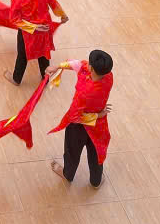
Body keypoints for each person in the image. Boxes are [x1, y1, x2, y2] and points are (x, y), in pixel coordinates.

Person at [47, 49, 114, 188]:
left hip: (79, 127)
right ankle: (96, 181)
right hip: (98, 126)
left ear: (91, 69)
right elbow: (79, 64)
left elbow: (75, 116)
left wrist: (96, 115)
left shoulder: (85, 92)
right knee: (96, 152)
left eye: (89, 63)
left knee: (72, 152)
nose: (86, 64)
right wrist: (58, 66)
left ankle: (68, 174)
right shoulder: (109, 77)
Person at [0, 0, 69, 86]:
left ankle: (16, 79)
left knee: (22, 55)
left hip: (27, 33)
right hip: (45, 29)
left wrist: (33, 27)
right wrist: (63, 16)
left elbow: (14, 19)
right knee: (44, 53)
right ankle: (45, 78)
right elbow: (55, 5)